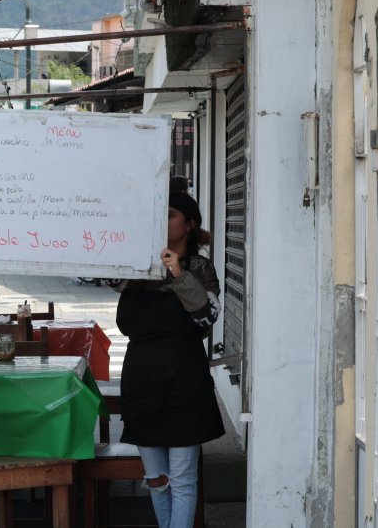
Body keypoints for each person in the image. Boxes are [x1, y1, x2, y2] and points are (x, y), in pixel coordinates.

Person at [116, 193, 223, 528]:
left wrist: (178, 274)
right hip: (141, 377)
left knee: (183, 477)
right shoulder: (135, 266)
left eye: (171, 214)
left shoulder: (199, 268)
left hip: (184, 380)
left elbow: (207, 317)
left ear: (189, 225)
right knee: (156, 478)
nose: (163, 221)